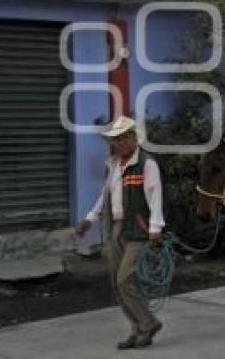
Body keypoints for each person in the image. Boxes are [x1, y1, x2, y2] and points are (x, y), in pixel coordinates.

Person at [75, 116, 165, 350]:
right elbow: (105, 196)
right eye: (117, 139)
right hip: (116, 228)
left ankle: (148, 322)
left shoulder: (147, 163)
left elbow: (155, 197)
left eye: (126, 137)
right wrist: (89, 219)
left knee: (125, 279)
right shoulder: (115, 165)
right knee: (117, 283)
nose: (122, 142)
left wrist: (156, 229)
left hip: (139, 229)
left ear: (135, 138)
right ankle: (138, 329)